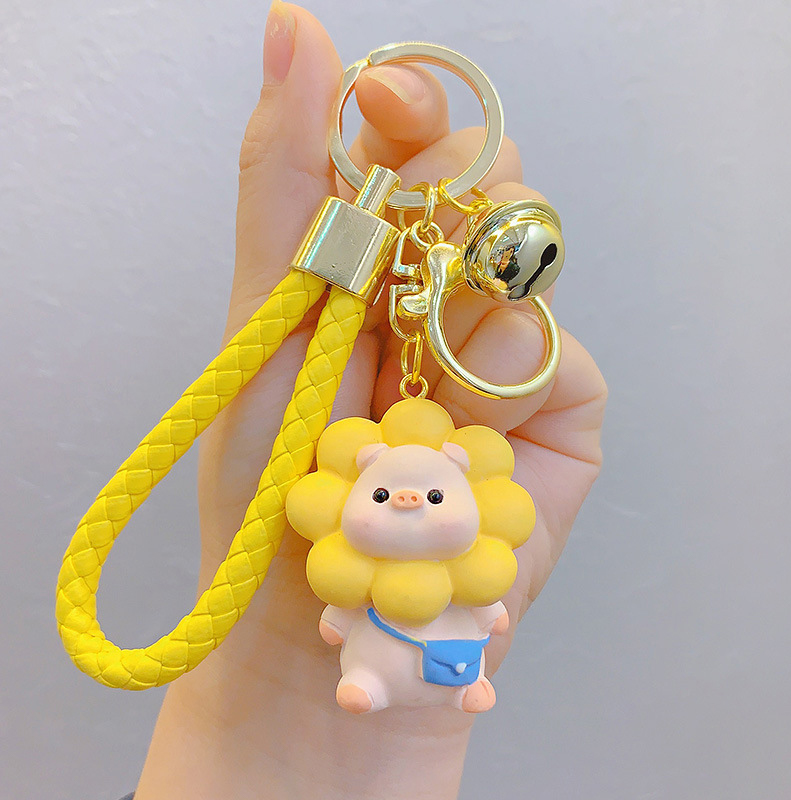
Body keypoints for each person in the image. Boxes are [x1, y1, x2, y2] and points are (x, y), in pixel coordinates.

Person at [125, 3, 607, 798]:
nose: (411, 497)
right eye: (384, 493)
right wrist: (264, 703)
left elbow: (477, 605)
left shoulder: (471, 556)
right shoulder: (346, 556)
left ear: (472, 479)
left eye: (423, 494)